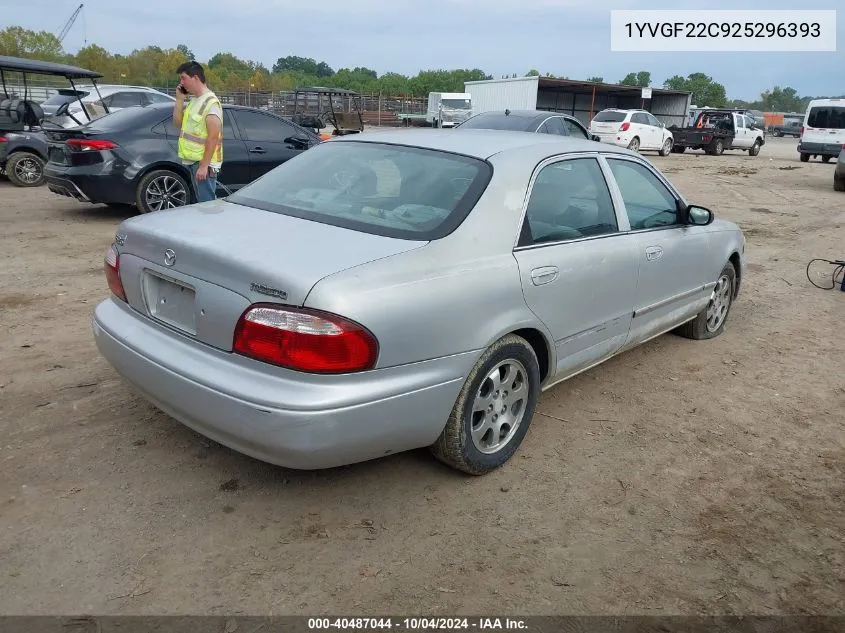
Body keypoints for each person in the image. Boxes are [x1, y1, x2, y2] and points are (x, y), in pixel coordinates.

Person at [172, 61, 223, 203]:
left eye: (183, 78)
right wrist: (179, 100)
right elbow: (177, 124)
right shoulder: (195, 101)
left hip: (203, 164)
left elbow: (213, 137)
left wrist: (204, 165)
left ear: (195, 77)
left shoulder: (210, 102)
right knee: (199, 207)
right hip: (193, 161)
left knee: (207, 206)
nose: (181, 82)